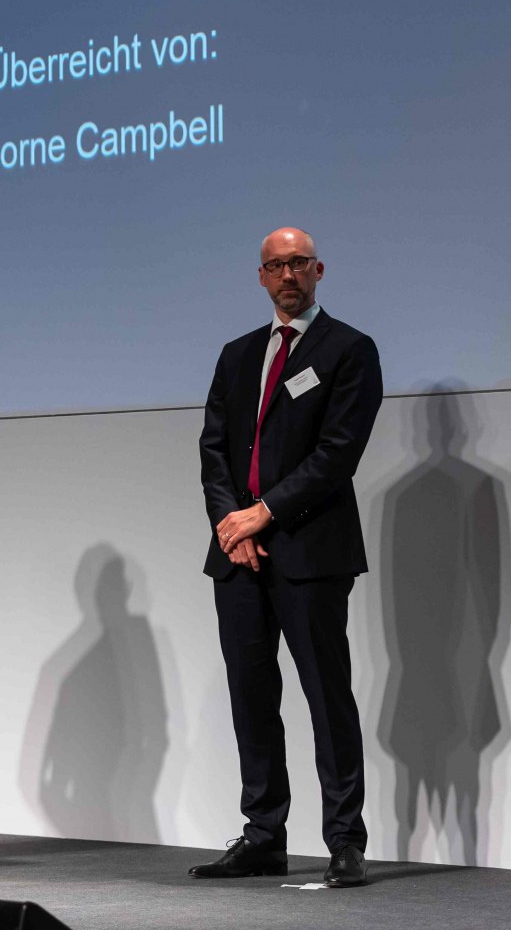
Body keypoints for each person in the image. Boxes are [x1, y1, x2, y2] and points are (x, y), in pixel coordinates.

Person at [194, 227, 383, 888]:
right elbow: (213, 449)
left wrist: (264, 513)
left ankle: (345, 839)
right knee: (251, 697)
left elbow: (337, 454)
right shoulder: (238, 354)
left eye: (298, 263)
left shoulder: (349, 349)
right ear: (261, 276)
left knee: (326, 696)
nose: (288, 275)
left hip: (311, 550)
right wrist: (234, 524)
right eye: (275, 265)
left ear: (319, 270)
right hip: (238, 555)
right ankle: (263, 836)